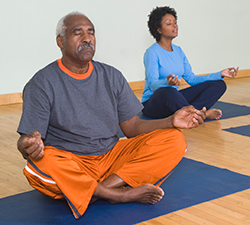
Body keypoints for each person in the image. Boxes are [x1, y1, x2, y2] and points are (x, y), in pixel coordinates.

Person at [17, 11, 206, 219]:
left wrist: (171, 121)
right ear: (60, 42)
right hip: (72, 162)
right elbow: (27, 141)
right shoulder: (42, 82)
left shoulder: (112, 75)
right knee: (39, 164)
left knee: (174, 140)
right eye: (77, 33)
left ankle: (96, 191)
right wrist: (28, 146)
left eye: (91, 33)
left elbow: (132, 128)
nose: (87, 38)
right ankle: (118, 195)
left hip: (111, 158)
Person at [141, 6, 239, 119]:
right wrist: (167, 82)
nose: (175, 25)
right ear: (159, 29)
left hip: (174, 101)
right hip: (153, 103)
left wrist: (219, 74)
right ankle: (200, 114)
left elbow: (192, 80)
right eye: (169, 23)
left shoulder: (179, 51)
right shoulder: (152, 52)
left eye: (175, 22)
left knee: (219, 84)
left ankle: (192, 114)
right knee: (167, 91)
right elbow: (153, 85)